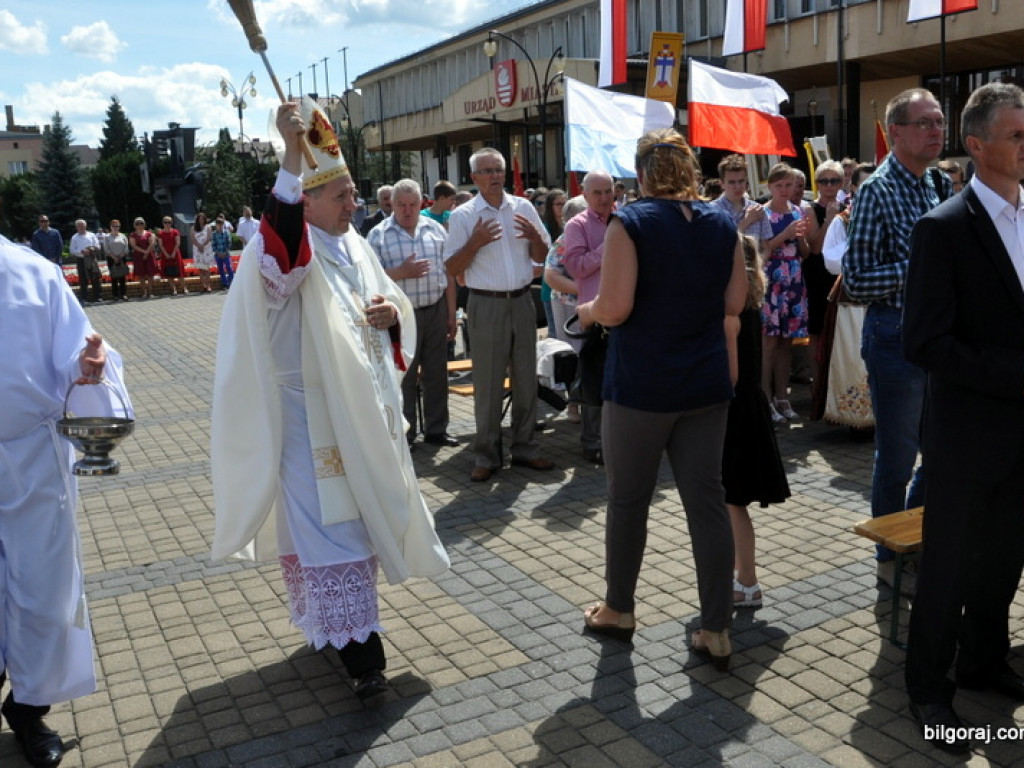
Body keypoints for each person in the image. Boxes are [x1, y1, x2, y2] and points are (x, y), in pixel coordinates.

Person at [211, 99, 449, 706]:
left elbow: (391, 302)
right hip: (309, 414)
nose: (353, 204)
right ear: (307, 201)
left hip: (362, 406)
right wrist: (292, 156)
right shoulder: (291, 243)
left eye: (351, 194)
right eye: (341, 196)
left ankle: (332, 628)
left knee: (359, 519)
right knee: (333, 526)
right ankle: (361, 656)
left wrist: (391, 315)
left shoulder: (357, 246)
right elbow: (279, 260)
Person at [576, 128, 746, 670]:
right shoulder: (723, 222)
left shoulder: (633, 221)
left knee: (628, 501)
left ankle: (619, 609)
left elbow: (616, 307)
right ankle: (717, 627)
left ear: (643, 173)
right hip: (704, 384)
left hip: (643, 387)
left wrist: (586, 312)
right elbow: (735, 302)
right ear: (691, 169)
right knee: (707, 504)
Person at [902, 82, 1024, 755]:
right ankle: (929, 690)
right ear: (977, 146)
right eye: (1016, 135)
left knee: (1004, 558)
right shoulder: (943, 227)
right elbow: (922, 341)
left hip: (1018, 436)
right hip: (966, 434)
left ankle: (983, 660)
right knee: (947, 568)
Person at [0, 198, 132, 768]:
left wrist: (91, 369)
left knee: (44, 594)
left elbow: (83, 354)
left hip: (29, 455)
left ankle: (30, 708)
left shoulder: (33, 272)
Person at [843, 87, 952, 593]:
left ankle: (917, 541)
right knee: (897, 458)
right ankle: (889, 557)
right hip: (895, 336)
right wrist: (923, 266)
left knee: (941, 452)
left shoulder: (936, 184)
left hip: (938, 339)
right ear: (897, 132)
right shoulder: (877, 190)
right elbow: (857, 279)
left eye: (940, 122)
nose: (937, 130)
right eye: (926, 122)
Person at [444, 147, 553, 483]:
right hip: (485, 303)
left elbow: (544, 254)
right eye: (486, 171)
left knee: (525, 380)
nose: (493, 176)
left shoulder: (523, 208)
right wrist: (474, 243)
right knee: (489, 383)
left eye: (498, 170)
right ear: (474, 178)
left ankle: (525, 448)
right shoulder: (463, 216)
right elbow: (451, 267)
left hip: (521, 302)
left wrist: (535, 237)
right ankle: (487, 455)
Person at [725, 235, 791, 609]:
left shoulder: (733, 313)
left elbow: (731, 375)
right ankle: (742, 576)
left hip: (735, 412)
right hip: (748, 409)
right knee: (732, 501)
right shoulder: (750, 302)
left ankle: (747, 580)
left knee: (731, 501)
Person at [367, 178, 458, 448]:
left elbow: (449, 275)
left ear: (422, 203)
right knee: (403, 374)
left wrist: (451, 314)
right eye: (401, 205)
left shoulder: (437, 231)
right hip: (399, 317)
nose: (407, 210)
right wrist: (401, 273)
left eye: (413, 204)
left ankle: (437, 430)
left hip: (434, 310)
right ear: (392, 204)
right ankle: (405, 433)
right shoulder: (378, 235)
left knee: (437, 373)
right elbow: (368, 280)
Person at [812, 162, 876, 430]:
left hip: (886, 299)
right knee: (852, 357)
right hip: (852, 300)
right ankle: (855, 418)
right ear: (854, 188)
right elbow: (830, 260)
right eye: (865, 186)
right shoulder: (843, 219)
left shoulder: (892, 216)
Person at [563, 171, 616, 465]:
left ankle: (621, 440)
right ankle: (593, 443)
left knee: (624, 379)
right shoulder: (577, 225)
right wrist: (608, 248)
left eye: (608, 191)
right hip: (595, 315)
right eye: (597, 193)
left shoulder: (625, 220)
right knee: (595, 382)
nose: (605, 198)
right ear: (585, 196)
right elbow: (577, 267)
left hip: (628, 312)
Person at [760, 163, 809, 424]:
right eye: (779, 185)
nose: (785, 190)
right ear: (770, 186)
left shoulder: (799, 211)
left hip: (794, 278)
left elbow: (806, 252)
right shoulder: (762, 213)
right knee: (769, 343)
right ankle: (765, 398)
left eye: (789, 185)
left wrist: (801, 237)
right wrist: (786, 234)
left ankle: (782, 396)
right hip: (772, 278)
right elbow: (761, 250)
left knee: (786, 344)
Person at [804, 160, 846, 381]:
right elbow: (815, 248)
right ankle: (817, 382)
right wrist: (829, 221)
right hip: (817, 274)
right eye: (824, 181)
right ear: (817, 184)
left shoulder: (849, 207)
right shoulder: (809, 208)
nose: (829, 186)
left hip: (841, 275)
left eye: (835, 180)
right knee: (817, 331)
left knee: (841, 329)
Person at [710, 154, 772, 243]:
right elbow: (719, 244)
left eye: (741, 181)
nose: (737, 186)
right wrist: (746, 222)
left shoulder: (757, 209)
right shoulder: (713, 211)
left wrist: (759, 257)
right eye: (732, 182)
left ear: (746, 181)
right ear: (722, 184)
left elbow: (766, 248)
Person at [538, 188, 566, 341]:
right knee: (556, 337)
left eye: (564, 203)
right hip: (551, 290)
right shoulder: (545, 229)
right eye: (558, 204)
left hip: (569, 291)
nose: (562, 206)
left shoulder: (570, 226)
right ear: (550, 206)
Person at [69, 219, 103, 303]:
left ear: (86, 225)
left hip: (92, 259)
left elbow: (97, 246)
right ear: (76, 227)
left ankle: (97, 297)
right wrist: (82, 252)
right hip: (81, 260)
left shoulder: (91, 235)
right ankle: (84, 298)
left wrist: (90, 250)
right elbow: (72, 250)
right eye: (79, 225)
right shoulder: (74, 237)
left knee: (95, 278)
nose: (81, 227)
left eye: (82, 225)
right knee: (83, 279)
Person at [157, 216, 188, 296]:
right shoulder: (160, 233)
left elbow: (177, 243)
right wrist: (166, 254)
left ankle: (184, 288)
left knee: (179, 272)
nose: (167, 224)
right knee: (169, 273)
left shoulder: (175, 231)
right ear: (163, 223)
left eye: (169, 222)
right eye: (165, 222)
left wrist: (174, 252)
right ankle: (174, 290)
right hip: (165, 255)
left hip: (176, 254)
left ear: (172, 223)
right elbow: (161, 245)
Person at [129, 217, 158, 299]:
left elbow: (151, 243)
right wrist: (144, 252)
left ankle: (151, 292)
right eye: (137, 223)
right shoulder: (133, 235)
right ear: (135, 225)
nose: (139, 225)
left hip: (149, 256)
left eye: (141, 223)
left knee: (150, 275)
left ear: (144, 224)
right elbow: (134, 246)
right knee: (141, 275)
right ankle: (144, 292)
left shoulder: (149, 234)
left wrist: (147, 252)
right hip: (138, 256)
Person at [102, 219, 130, 300]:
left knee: (122, 277)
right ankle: (115, 295)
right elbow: (106, 249)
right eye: (114, 226)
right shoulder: (107, 237)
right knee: (114, 277)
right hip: (111, 258)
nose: (115, 228)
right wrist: (114, 257)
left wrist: (120, 256)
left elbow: (126, 248)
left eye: (117, 226)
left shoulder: (123, 236)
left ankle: (123, 294)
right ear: (110, 227)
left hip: (122, 258)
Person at [189, 212, 215, 293]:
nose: (201, 220)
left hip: (206, 249)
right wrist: (199, 246)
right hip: (197, 250)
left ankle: (208, 285)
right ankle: (203, 285)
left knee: (207, 269)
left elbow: (208, 238)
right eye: (199, 219)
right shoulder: (193, 228)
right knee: (201, 269)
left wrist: (203, 246)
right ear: (197, 220)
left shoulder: (208, 227)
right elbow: (192, 239)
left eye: (203, 219)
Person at [211, 214, 234, 290]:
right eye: (218, 224)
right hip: (218, 255)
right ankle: (225, 284)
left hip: (226, 254)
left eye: (221, 224)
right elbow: (213, 245)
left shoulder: (226, 232)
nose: (220, 226)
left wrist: (225, 252)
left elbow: (229, 243)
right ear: (216, 225)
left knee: (229, 268)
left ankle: (231, 282)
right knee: (221, 269)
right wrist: (218, 253)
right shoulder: (214, 234)